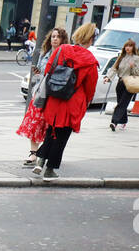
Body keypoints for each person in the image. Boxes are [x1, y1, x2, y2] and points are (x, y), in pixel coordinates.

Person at [30, 21, 99, 180]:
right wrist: (87, 101)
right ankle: (50, 170)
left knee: (51, 130)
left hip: (55, 98)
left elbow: (48, 69)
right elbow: (90, 87)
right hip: (73, 102)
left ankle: (40, 161)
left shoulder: (62, 50)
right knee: (61, 137)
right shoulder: (90, 59)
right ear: (90, 40)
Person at [18, 26, 66, 164]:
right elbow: (39, 73)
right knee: (34, 123)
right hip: (41, 92)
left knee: (48, 125)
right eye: (53, 36)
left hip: (54, 94)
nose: (54, 39)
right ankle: (33, 153)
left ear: (62, 39)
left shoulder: (63, 54)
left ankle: (45, 152)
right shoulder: (44, 53)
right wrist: (37, 73)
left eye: (57, 37)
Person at [106, 38, 139, 131]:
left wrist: (133, 66)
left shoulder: (136, 58)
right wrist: (108, 77)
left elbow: (138, 73)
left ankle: (114, 122)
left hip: (130, 83)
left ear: (133, 47)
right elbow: (114, 68)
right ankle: (124, 121)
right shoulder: (121, 57)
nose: (128, 48)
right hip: (121, 83)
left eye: (130, 46)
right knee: (121, 103)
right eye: (126, 46)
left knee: (122, 104)